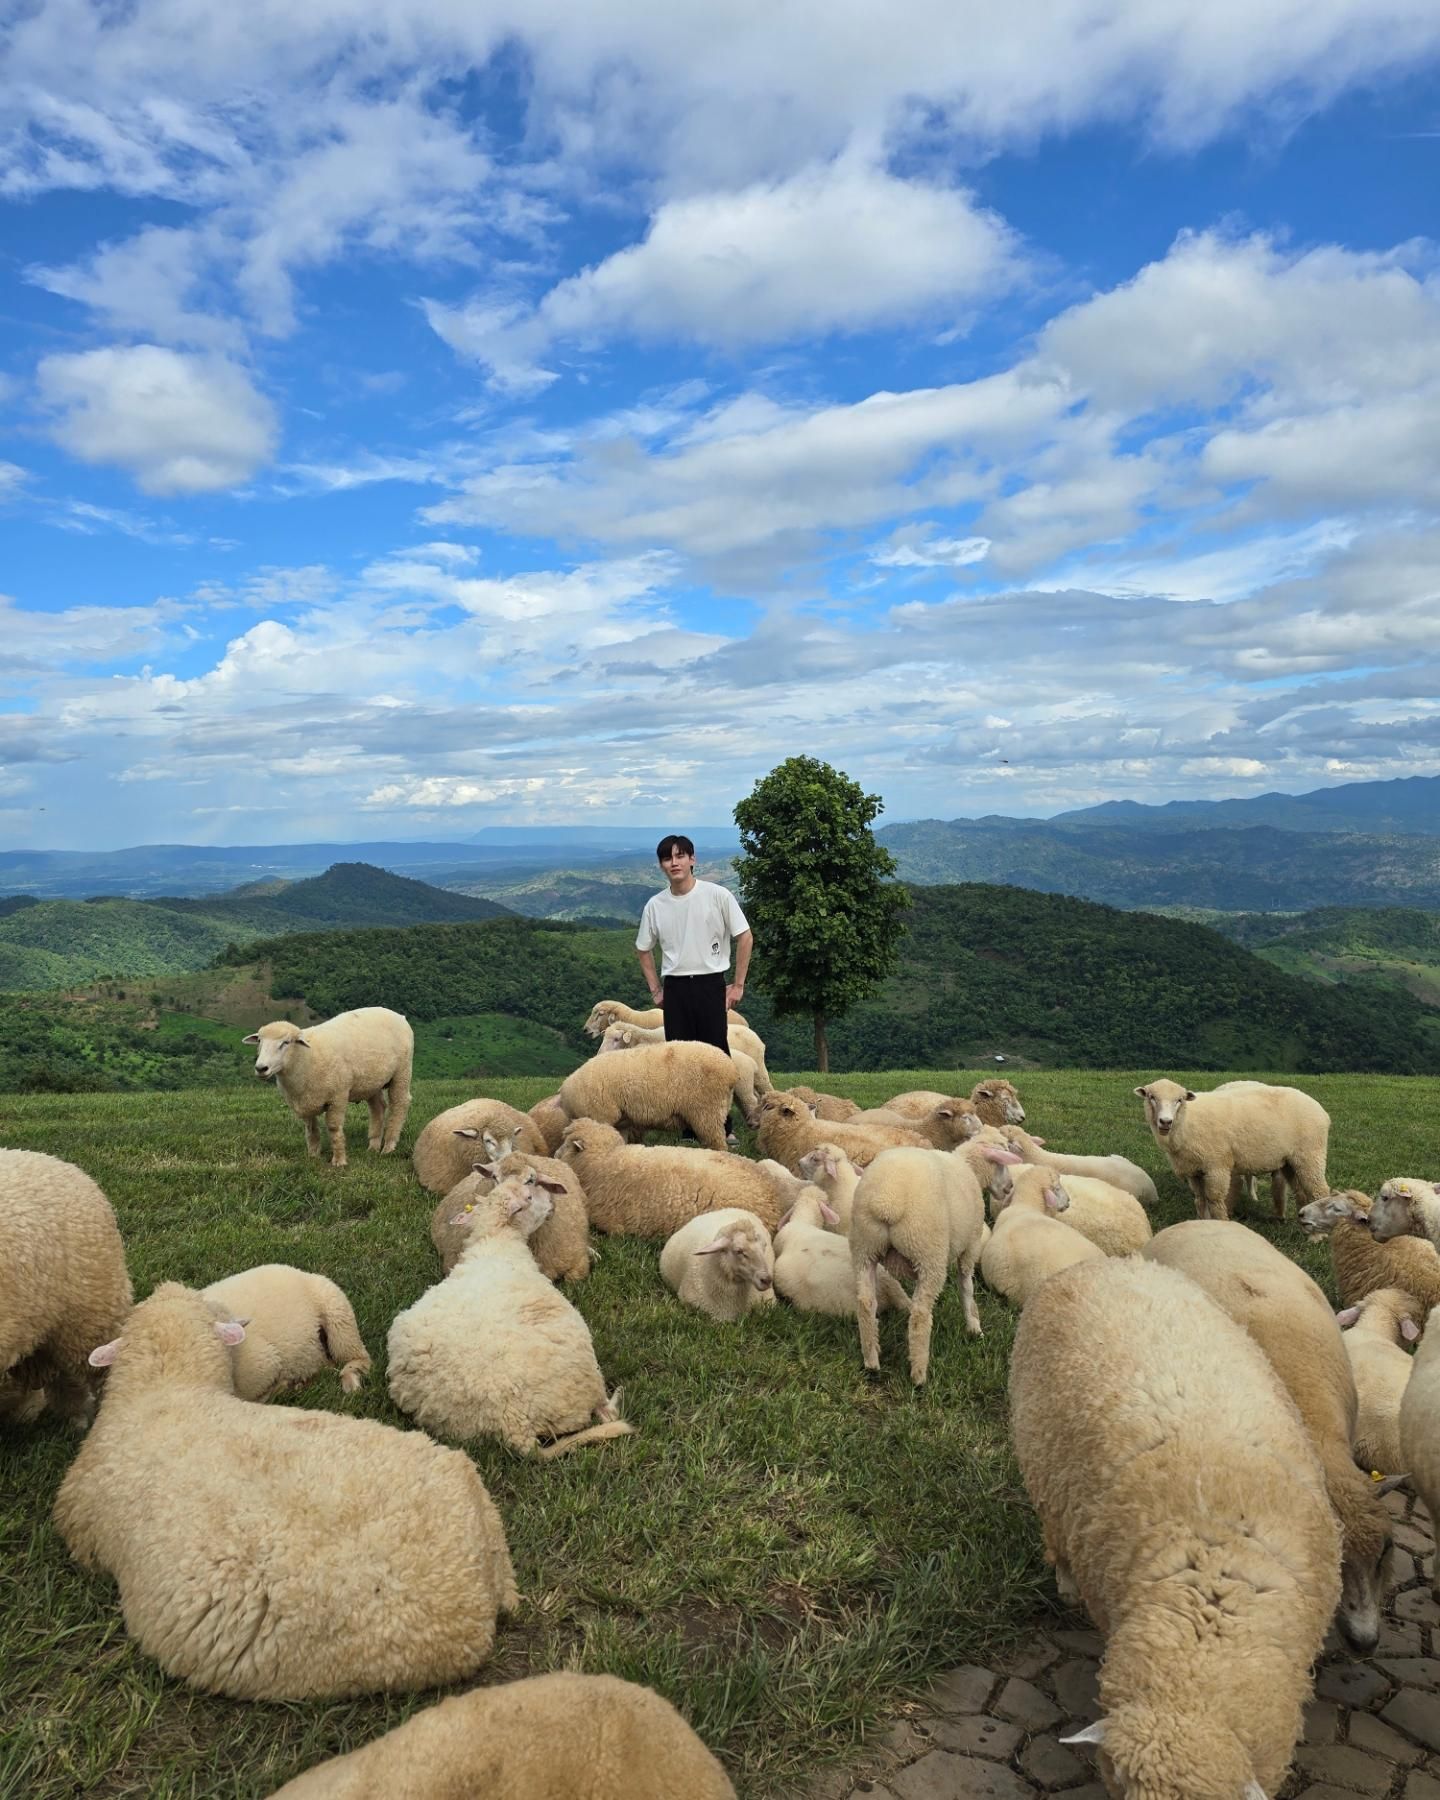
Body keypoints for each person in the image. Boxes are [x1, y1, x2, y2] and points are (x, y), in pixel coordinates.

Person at [635, 834, 752, 1056]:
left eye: (680, 856)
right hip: (675, 989)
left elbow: (745, 936)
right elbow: (643, 949)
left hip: (710, 984)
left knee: (716, 1055)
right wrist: (655, 990)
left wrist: (738, 985)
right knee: (679, 1057)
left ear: (692, 859)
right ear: (661, 865)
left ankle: (723, 1093)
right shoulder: (655, 906)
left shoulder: (717, 895)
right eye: (668, 859)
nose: (674, 863)